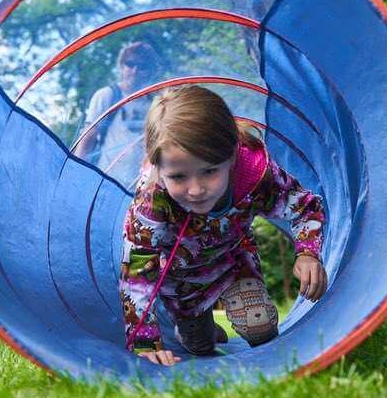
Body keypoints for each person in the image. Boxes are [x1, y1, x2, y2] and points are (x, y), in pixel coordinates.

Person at [120, 85, 327, 366]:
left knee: (260, 325)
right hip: (182, 285)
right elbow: (137, 273)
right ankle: (193, 328)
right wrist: (145, 343)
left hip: (233, 264)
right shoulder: (152, 200)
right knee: (200, 347)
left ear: (230, 157)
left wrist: (307, 253)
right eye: (179, 177)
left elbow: (304, 206)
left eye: (209, 171)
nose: (195, 190)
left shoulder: (255, 176)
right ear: (158, 168)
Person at [74, 42, 161, 186]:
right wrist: (76, 171)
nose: (134, 70)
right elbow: (89, 135)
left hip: (143, 184)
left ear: (151, 71)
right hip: (106, 179)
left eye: (142, 66)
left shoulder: (156, 103)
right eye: (130, 64)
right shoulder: (107, 95)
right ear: (121, 66)